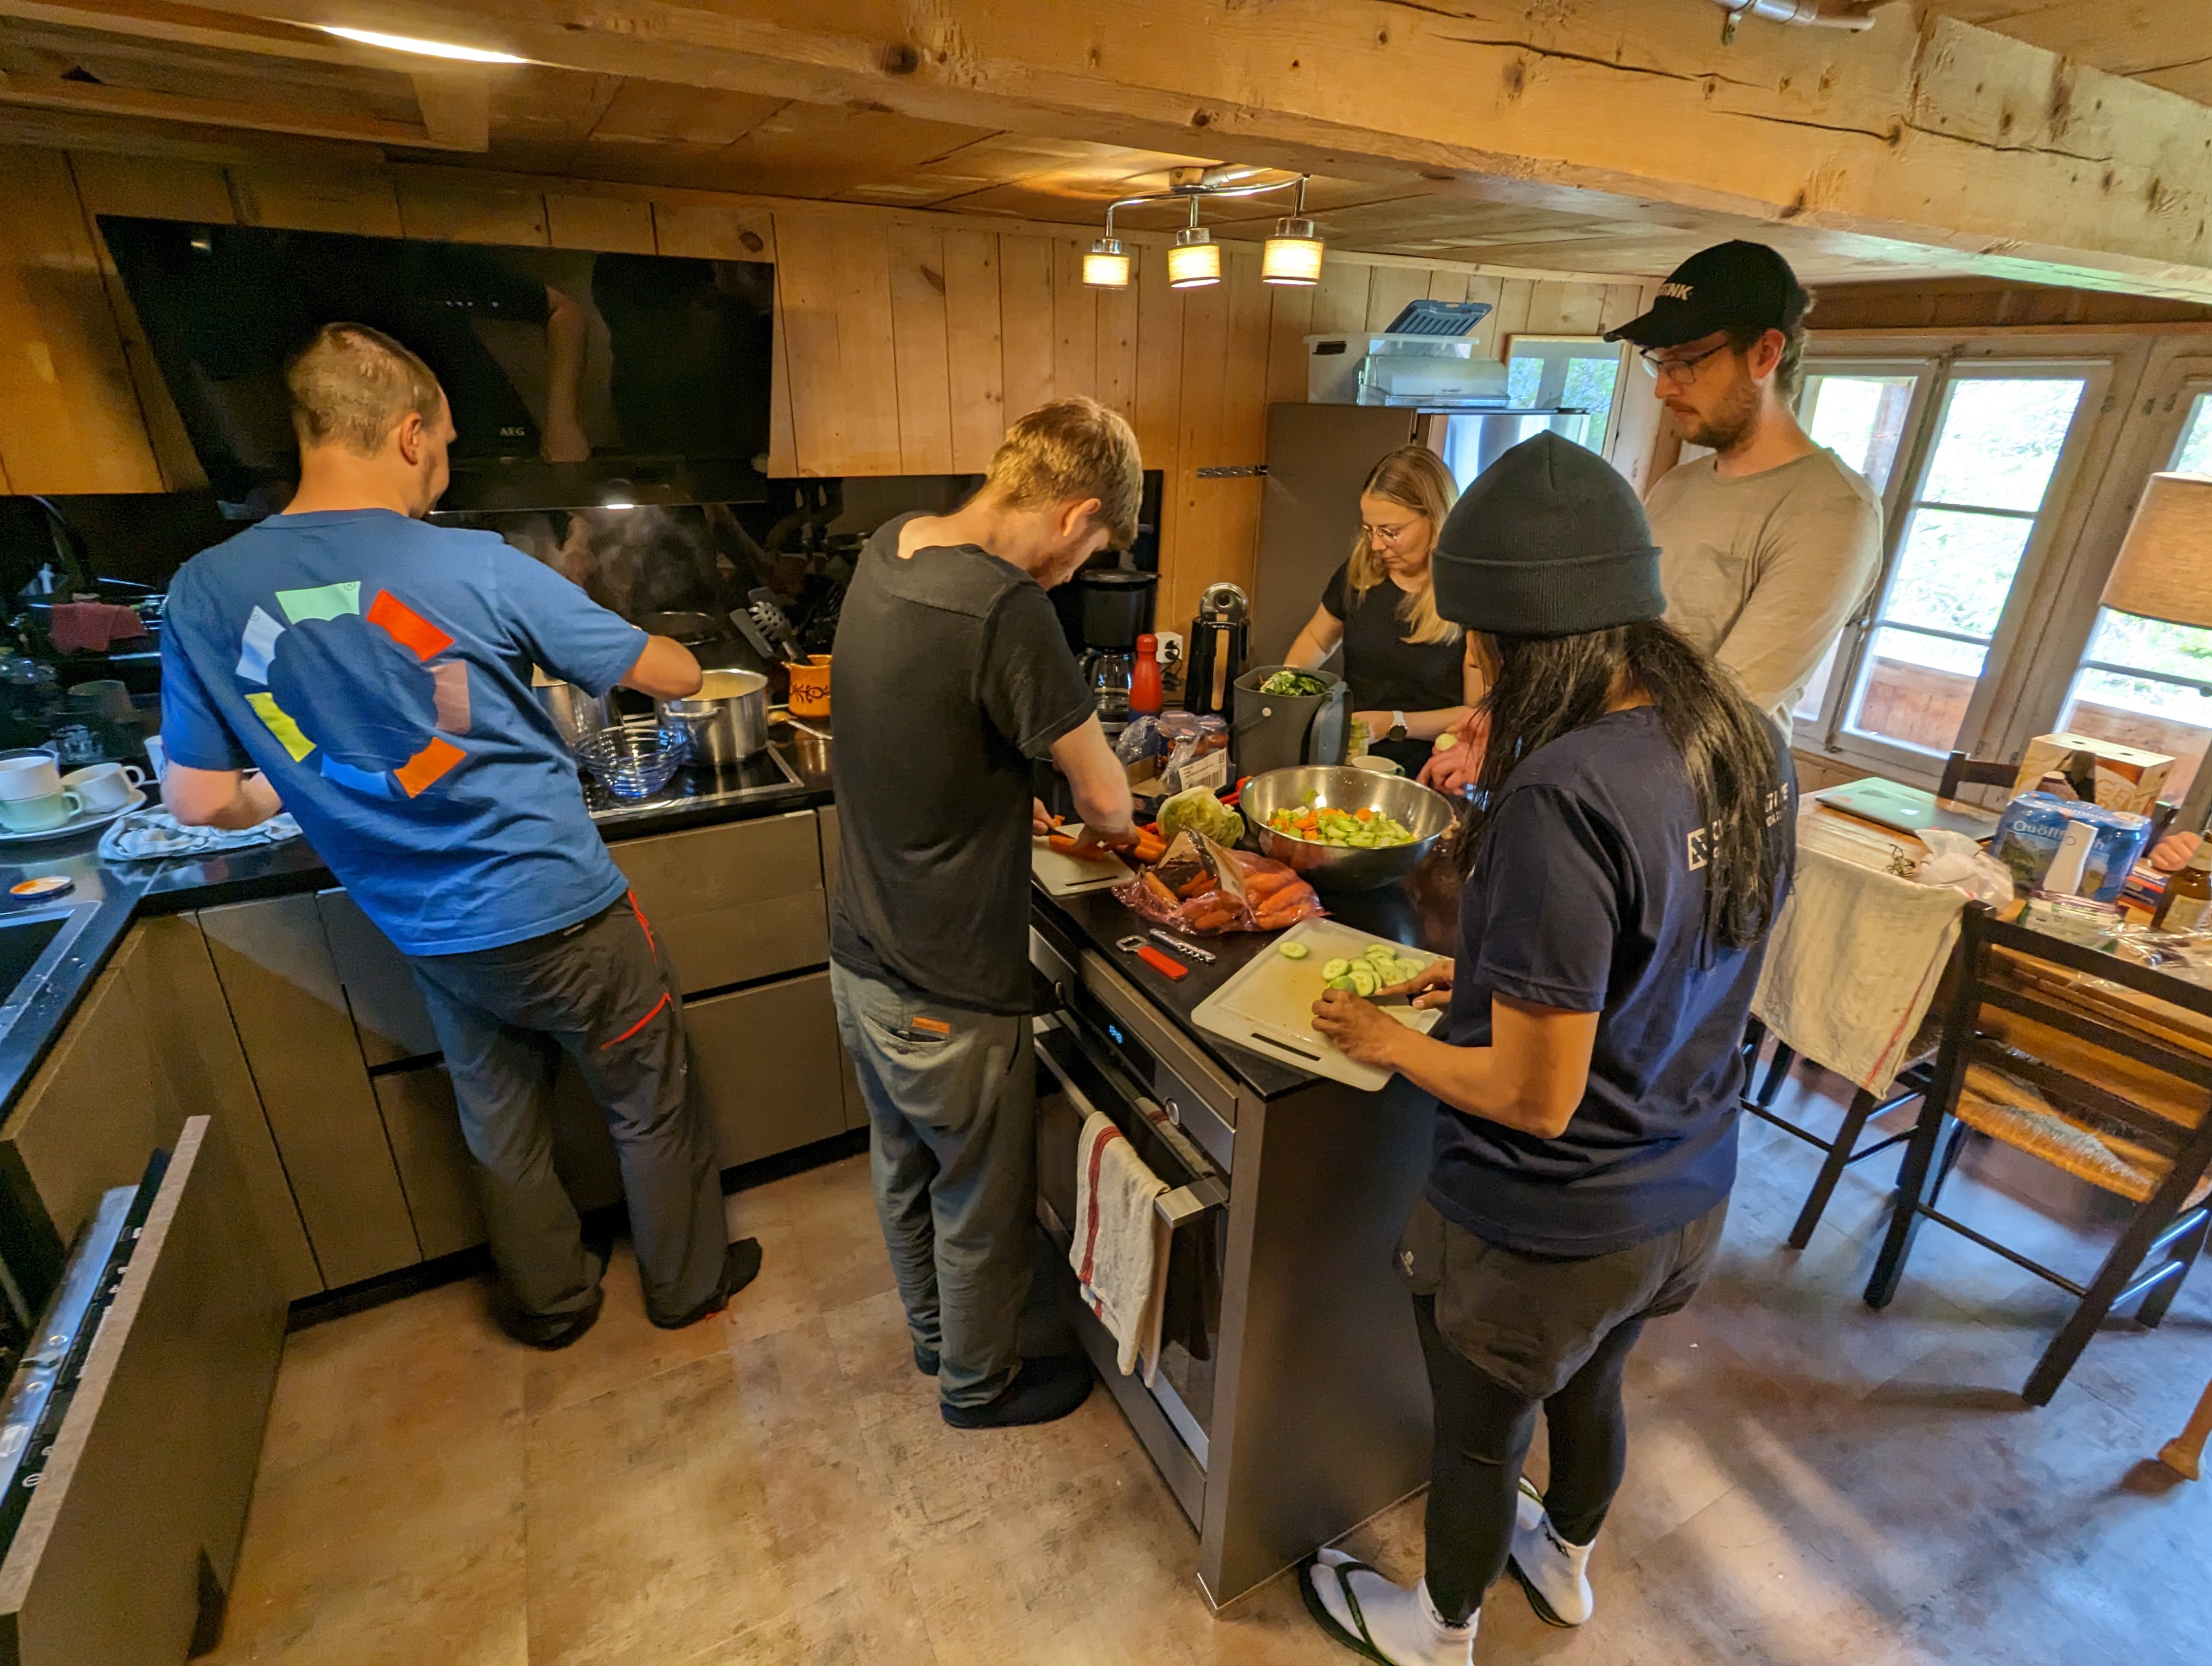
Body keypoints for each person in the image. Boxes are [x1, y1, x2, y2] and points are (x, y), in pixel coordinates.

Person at [159, 322, 754, 1350]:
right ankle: (686, 1283)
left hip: (424, 927)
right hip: (562, 910)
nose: (443, 468)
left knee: (500, 1120)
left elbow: (202, 800)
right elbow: (677, 677)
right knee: (650, 1095)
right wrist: (617, 629)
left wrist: (302, 784)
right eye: (443, 445)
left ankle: (553, 1302)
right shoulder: (473, 564)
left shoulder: (205, 590)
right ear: (406, 434)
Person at [1300, 434, 1795, 1664]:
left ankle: (1436, 1629)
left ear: (1533, 644)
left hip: (1548, 1216)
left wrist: (1379, 1033)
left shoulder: (1559, 792)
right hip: (1680, 1189)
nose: (1472, 677)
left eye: (1480, 649)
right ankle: (1563, 1559)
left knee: (1474, 1438)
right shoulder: (1743, 735)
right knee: (1590, 1385)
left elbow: (1530, 1091)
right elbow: (1658, 954)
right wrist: (1477, 973)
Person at [830, 396, 1141, 1431]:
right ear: (1075, 512)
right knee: (975, 1196)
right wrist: (1109, 810)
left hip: (861, 953)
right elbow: (1106, 799)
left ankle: (934, 1339)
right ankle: (978, 1382)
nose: (1077, 571)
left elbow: (949, 725)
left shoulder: (892, 551)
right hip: (948, 980)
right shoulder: (1009, 608)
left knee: (904, 1163)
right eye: (1091, 547)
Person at [1420, 239, 1880, 793]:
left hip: (1693, 801)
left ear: (1764, 354)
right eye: (1659, 364)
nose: (1664, 387)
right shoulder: (1678, 486)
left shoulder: (1831, 511)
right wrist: (1510, 721)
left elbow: (1727, 704)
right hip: (1600, 771)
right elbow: (1611, 649)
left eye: (1687, 362)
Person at [1283, 446, 1481, 774]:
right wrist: (1286, 686)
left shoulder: (1469, 594)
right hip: (1352, 761)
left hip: (1431, 772)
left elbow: (1476, 714)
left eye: (1391, 532)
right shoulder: (1362, 570)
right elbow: (1319, 639)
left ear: (1436, 516)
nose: (1376, 545)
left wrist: (1393, 723)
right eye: (1369, 530)